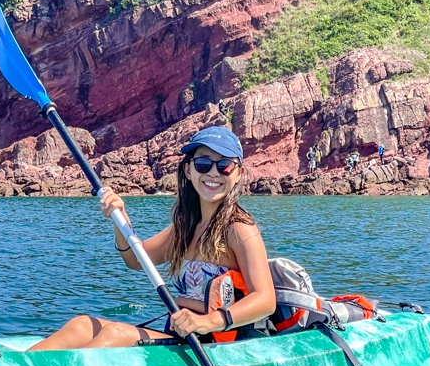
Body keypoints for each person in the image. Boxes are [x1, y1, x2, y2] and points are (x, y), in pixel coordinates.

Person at [28, 126, 277, 350]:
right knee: (81, 325)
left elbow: (265, 300)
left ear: (238, 173)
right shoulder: (185, 227)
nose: (213, 173)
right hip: (179, 336)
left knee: (115, 334)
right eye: (203, 163)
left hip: (212, 343)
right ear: (189, 170)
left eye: (224, 165)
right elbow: (137, 261)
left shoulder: (240, 228)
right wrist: (121, 221)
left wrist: (207, 321)